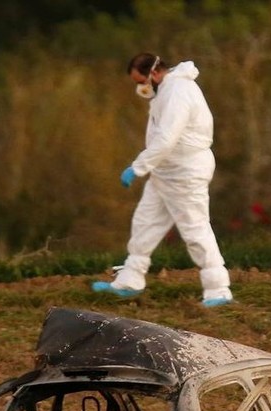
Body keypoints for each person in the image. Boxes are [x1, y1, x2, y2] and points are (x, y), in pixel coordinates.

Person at [91, 53, 233, 307]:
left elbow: (167, 138)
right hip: (165, 173)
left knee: (194, 228)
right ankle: (130, 279)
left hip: (185, 173)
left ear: (154, 73)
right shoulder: (166, 91)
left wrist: (138, 167)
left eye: (141, 80)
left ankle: (218, 288)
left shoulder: (178, 92)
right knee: (145, 222)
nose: (141, 87)